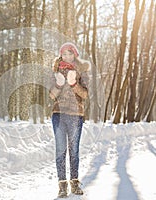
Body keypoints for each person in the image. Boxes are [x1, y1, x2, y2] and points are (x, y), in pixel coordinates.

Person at [49, 42, 90, 198]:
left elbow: (85, 95)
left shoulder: (82, 71)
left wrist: (73, 84)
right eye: (64, 54)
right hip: (58, 114)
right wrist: (59, 84)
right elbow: (51, 95)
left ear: (75, 55)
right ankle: (62, 186)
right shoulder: (55, 71)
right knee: (61, 150)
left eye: (70, 53)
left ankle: (74, 182)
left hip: (75, 115)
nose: (67, 56)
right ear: (60, 55)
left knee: (74, 150)